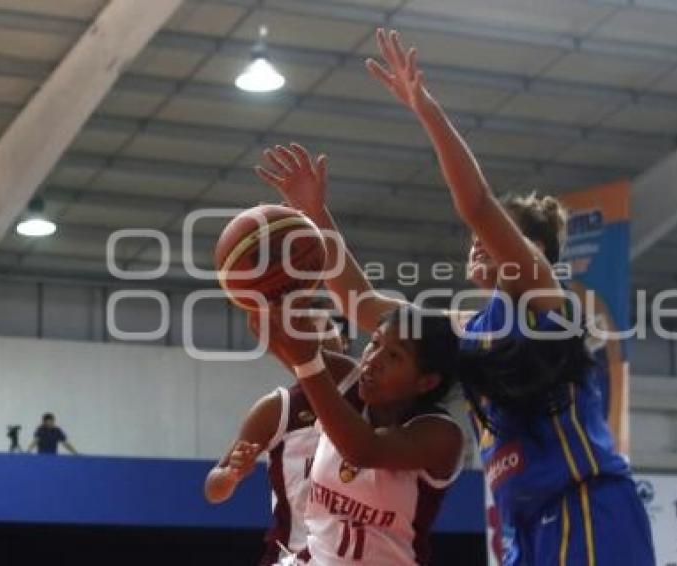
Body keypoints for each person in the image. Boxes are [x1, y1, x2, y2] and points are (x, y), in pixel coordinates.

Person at [254, 28, 654, 566]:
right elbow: (362, 305)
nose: (479, 244)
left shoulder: (543, 301)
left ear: (534, 253)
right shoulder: (465, 329)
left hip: (585, 499)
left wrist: (425, 109)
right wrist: (316, 217)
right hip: (523, 520)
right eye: (476, 241)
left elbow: (478, 205)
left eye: (494, 237)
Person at [266, 304, 464, 565]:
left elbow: (364, 450)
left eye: (393, 356)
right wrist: (273, 294)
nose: (372, 359)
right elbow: (273, 334)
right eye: (374, 343)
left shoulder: (441, 435)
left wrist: (307, 363)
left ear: (426, 382)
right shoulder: (348, 381)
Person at [205, 308, 354, 565]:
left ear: (344, 341)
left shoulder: (368, 398)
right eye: (305, 329)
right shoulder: (277, 408)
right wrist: (233, 474)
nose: (314, 336)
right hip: (296, 555)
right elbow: (213, 489)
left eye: (323, 327)